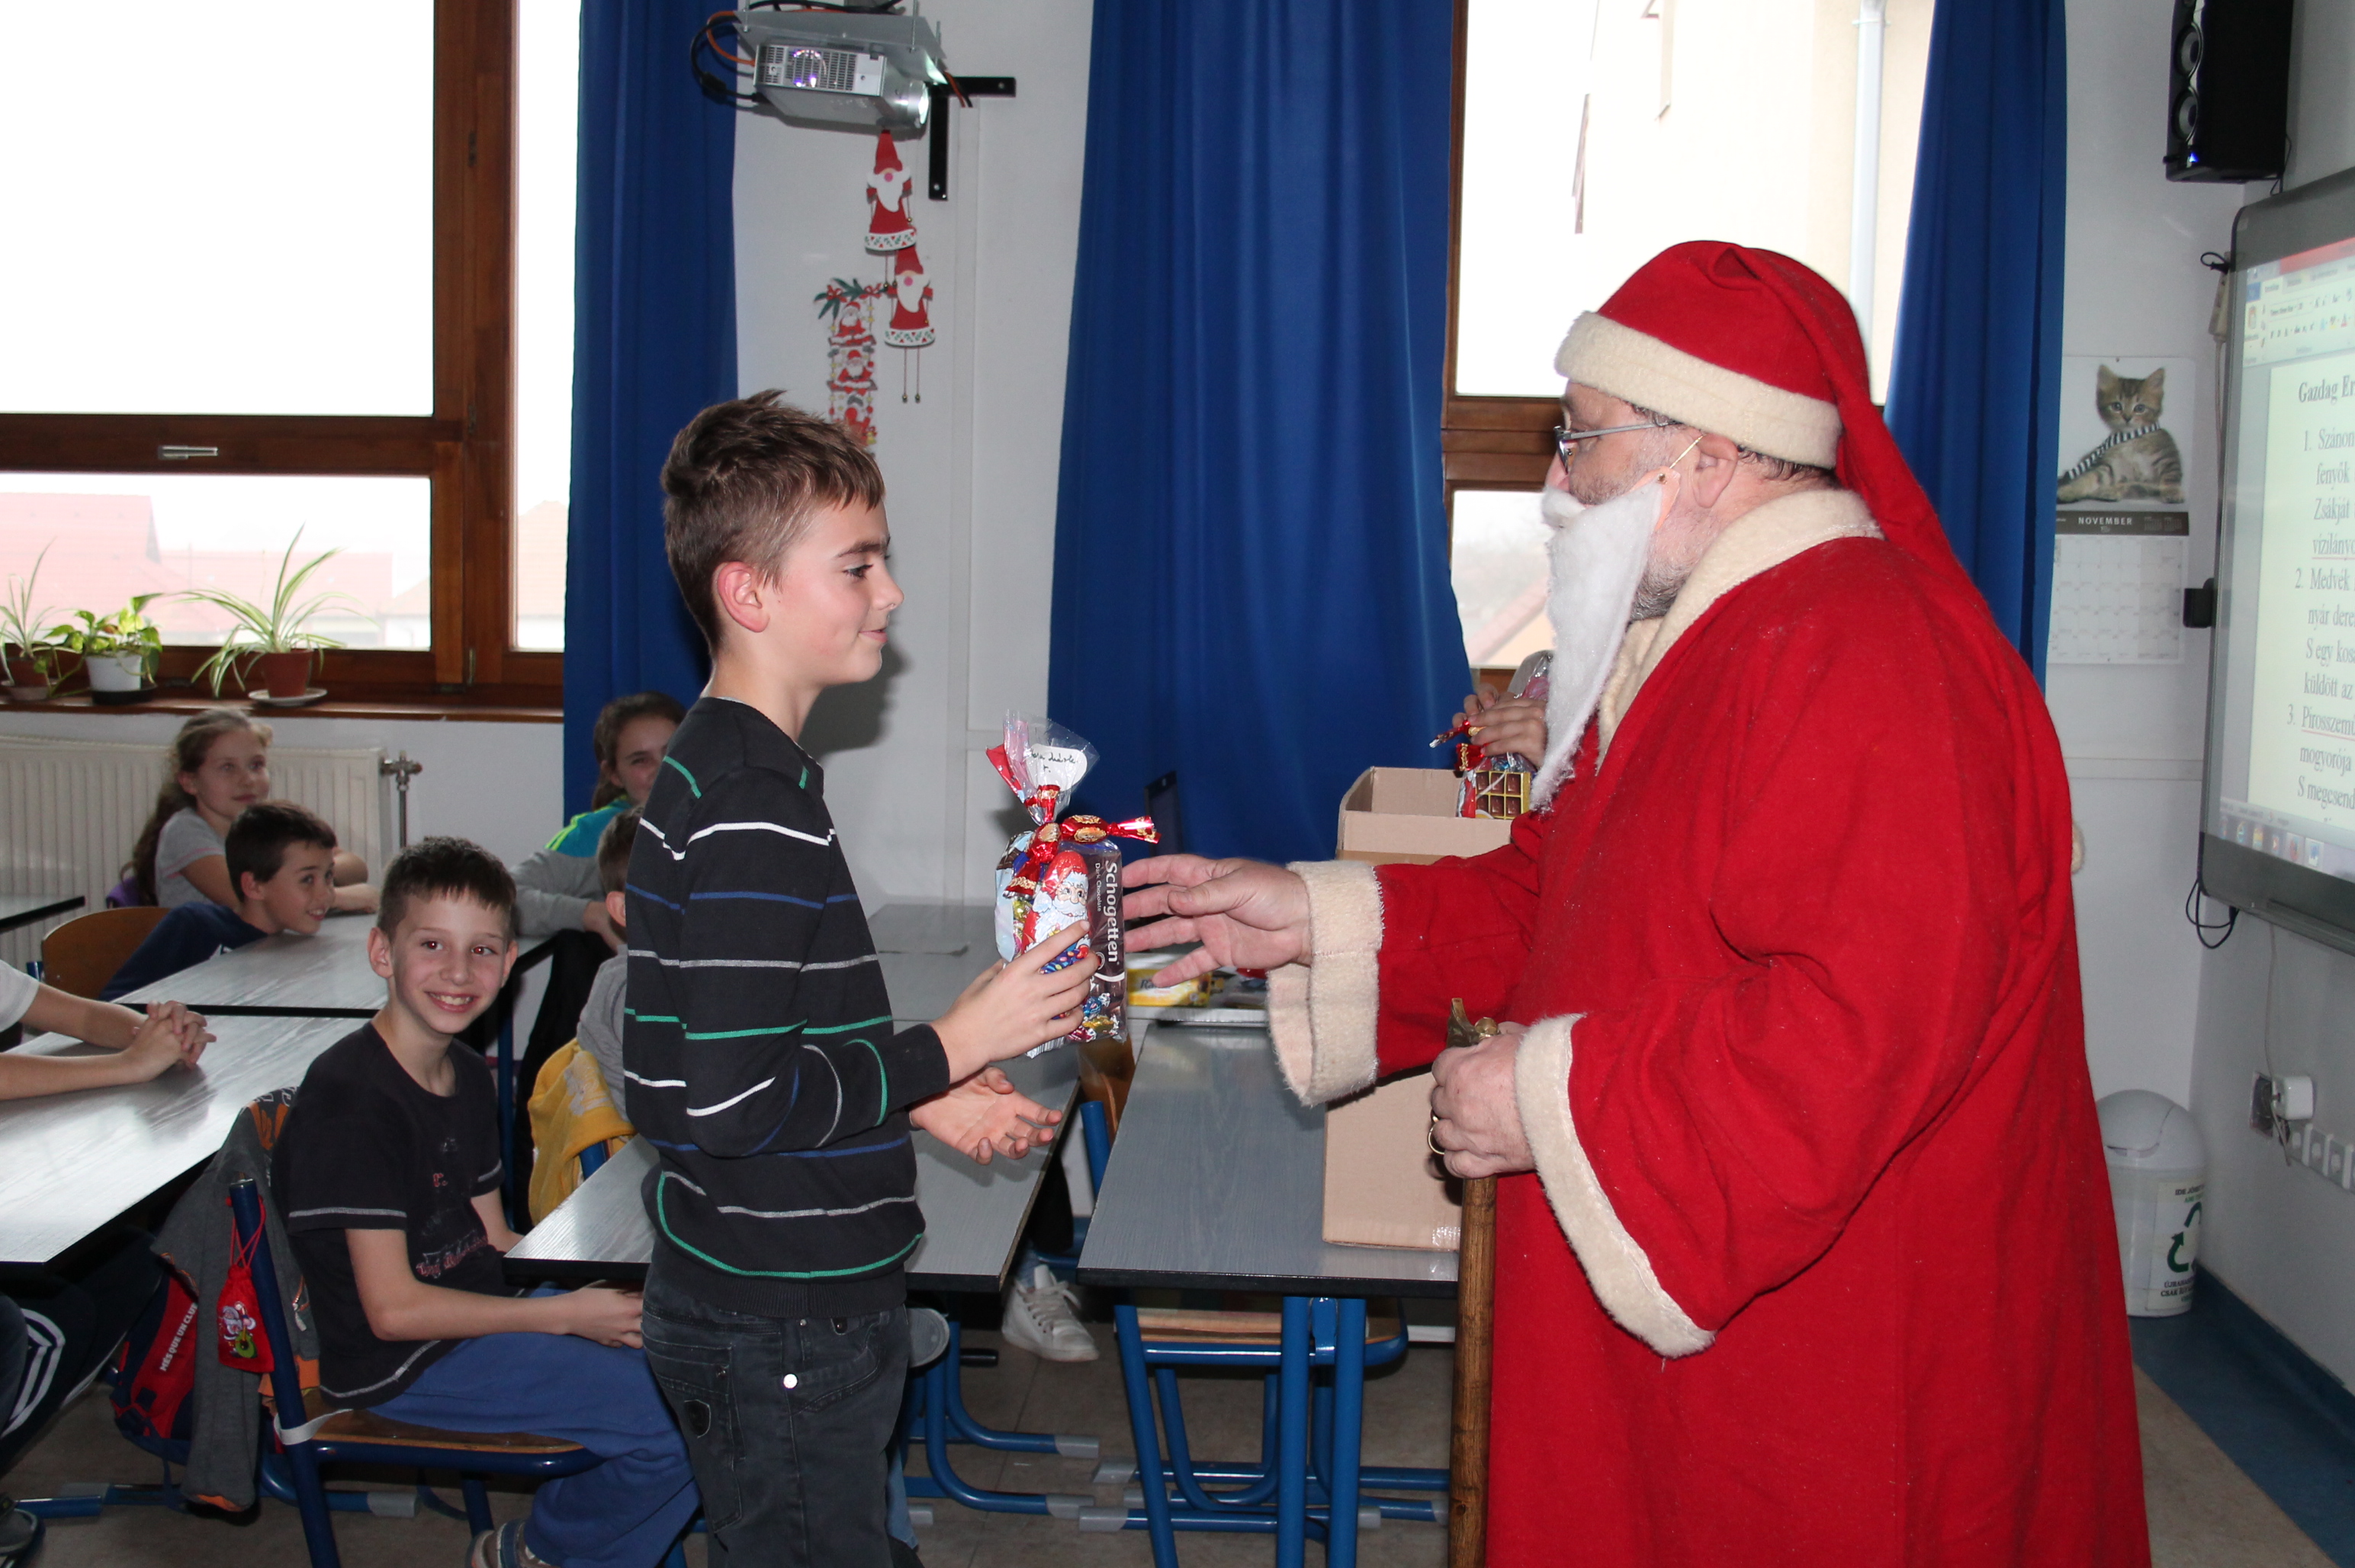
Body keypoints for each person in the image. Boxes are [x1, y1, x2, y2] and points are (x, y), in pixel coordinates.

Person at [1124, 243, 2147, 1564]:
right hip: (1731, 1309)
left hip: (1839, 1340)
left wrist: (1545, 1093)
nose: (1557, 484)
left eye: (1580, 439)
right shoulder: (1720, 632)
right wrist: (1315, 916)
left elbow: (1859, 1031)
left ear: (1705, 456)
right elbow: (1567, 899)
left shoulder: (1869, 654)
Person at [631, 391, 1094, 1567]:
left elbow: (716, 1057)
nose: (890, 593)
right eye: (858, 566)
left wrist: (917, 1094)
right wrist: (954, 1041)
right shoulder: (754, 807)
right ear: (749, 593)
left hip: (757, 1299)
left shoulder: (729, 770)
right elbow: (733, 1102)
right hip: (781, 1318)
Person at [272, 837, 699, 1568]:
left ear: (508, 965)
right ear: (382, 952)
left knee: (705, 1361)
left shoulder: (467, 1074)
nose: (458, 972)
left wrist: (592, 1288)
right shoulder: (352, 1105)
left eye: (482, 950)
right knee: (686, 1420)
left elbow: (493, 1239)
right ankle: (541, 1551)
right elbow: (393, 1312)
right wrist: (564, 1315)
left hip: (480, 1318)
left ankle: (569, 1541)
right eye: (431, 944)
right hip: (403, 1363)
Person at [127, 710, 374, 913]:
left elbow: (355, 866)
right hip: (208, 957)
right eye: (227, 768)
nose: (247, 780)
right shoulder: (185, 831)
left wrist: (306, 876)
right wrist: (328, 893)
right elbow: (244, 897)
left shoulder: (266, 824)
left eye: (256, 765)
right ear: (190, 782)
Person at [101, 802, 339, 1001]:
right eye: (307, 879)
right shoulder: (194, 926)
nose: (326, 894)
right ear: (254, 886)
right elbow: (114, 1003)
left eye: (328, 876)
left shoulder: (294, 941)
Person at [513, 692, 683, 945]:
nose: (663, 770)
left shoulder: (729, 820)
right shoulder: (594, 835)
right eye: (641, 761)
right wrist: (592, 915)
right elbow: (503, 898)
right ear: (614, 774)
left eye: (673, 752)